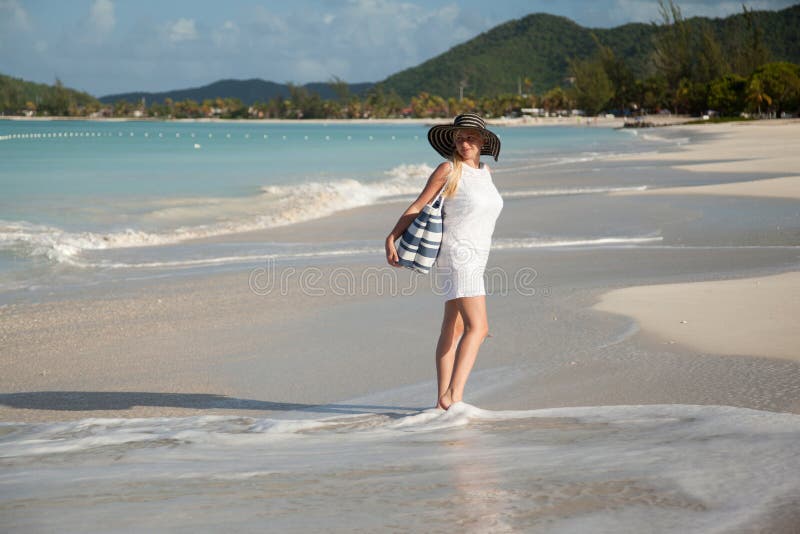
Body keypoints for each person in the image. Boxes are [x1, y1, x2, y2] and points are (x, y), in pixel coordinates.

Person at [385, 113, 504, 410]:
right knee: (479, 328)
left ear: (483, 141)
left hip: (478, 256)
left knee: (455, 328)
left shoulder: (486, 172)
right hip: (458, 255)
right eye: (460, 137)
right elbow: (418, 205)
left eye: (471, 137)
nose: (465, 143)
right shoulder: (448, 170)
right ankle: (454, 396)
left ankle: (442, 402)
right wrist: (392, 237)